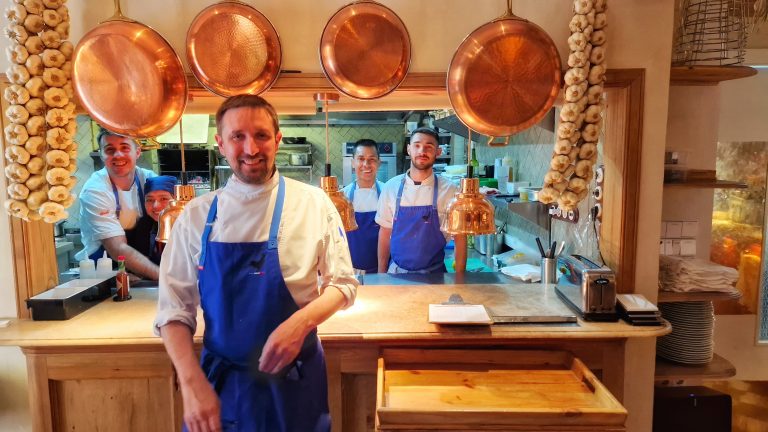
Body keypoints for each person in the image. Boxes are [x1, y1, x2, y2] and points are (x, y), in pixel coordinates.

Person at [154, 94, 357, 432]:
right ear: (220, 143)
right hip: (220, 387)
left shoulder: (313, 203)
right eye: (238, 136)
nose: (250, 149)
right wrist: (191, 384)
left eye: (261, 135)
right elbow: (173, 311)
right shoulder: (196, 215)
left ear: (277, 139)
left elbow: (344, 284)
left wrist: (301, 323)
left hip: (295, 383)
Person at [75, 128, 159, 279]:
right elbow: (117, 248)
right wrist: (164, 276)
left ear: (137, 152)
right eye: (110, 149)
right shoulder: (95, 190)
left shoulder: (148, 179)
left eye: (125, 148)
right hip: (105, 273)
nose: (118, 155)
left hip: (144, 267)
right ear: (101, 154)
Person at [376, 127, 457, 273]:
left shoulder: (450, 190)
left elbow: (460, 237)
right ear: (409, 149)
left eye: (429, 147)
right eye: (417, 145)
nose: (422, 151)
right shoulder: (391, 187)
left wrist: (460, 278)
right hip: (396, 276)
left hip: (436, 275)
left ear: (438, 152)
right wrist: (381, 275)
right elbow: (384, 234)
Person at [342, 139, 385, 274]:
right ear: (353, 162)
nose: (366, 164)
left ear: (379, 163)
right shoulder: (342, 197)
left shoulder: (387, 193)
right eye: (361, 159)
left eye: (371, 159)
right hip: (350, 271)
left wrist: (382, 272)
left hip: (382, 270)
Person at [130, 175, 177, 266]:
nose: (155, 206)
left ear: (177, 200)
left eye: (163, 199)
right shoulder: (141, 226)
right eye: (150, 200)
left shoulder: (189, 227)